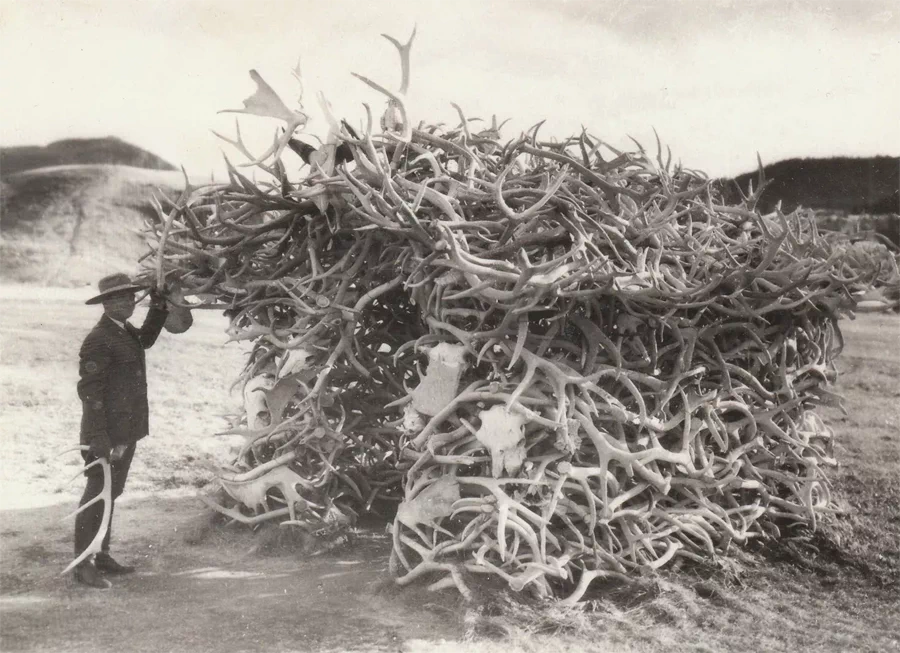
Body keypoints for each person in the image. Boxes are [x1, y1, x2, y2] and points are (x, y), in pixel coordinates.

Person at [72, 273, 180, 589]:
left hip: (125, 430)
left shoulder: (122, 330)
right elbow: (90, 392)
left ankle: (101, 555)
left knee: (111, 492)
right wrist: (99, 437)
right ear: (106, 303)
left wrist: (158, 307)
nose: (127, 302)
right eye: (119, 298)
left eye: (131, 297)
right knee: (96, 494)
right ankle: (84, 564)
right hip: (106, 433)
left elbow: (145, 339)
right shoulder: (98, 338)